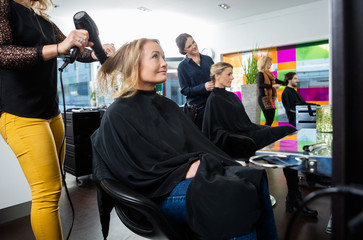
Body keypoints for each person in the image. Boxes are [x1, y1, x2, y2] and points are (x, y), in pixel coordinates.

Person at [91, 38, 279, 240]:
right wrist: (182, 171)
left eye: (163, 56)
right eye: (155, 56)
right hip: (155, 191)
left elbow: (190, 146)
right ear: (133, 65)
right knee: (234, 196)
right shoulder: (118, 113)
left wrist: (199, 164)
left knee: (254, 179)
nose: (163, 62)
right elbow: (131, 172)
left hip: (174, 177)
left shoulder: (167, 106)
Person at [0, 1, 115, 239]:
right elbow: (3, 53)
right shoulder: (4, 6)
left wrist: (96, 52)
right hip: (19, 112)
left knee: (55, 190)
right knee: (47, 192)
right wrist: (58, 47)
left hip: (51, 113)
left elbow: (74, 49)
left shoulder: (44, 20)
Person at [202, 62, 318, 217]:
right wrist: (249, 133)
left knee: (289, 138)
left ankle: (294, 195)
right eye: (228, 74)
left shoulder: (230, 96)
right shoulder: (214, 100)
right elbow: (215, 132)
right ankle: (294, 196)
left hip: (248, 133)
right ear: (217, 75)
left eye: (232, 73)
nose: (232, 77)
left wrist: (265, 129)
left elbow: (246, 123)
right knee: (289, 131)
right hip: (241, 141)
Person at [176, 33, 214, 129]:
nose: (194, 46)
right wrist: (203, 87)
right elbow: (184, 90)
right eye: (189, 46)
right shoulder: (182, 67)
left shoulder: (208, 60)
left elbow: (216, 78)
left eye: (193, 42)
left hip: (213, 106)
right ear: (184, 50)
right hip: (198, 112)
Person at [256, 56, 284, 126]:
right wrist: (272, 86)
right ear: (264, 63)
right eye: (269, 62)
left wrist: (288, 83)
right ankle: (265, 135)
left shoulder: (270, 74)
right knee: (268, 120)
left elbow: (278, 81)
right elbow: (260, 85)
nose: (271, 64)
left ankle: (267, 135)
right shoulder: (260, 74)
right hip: (264, 99)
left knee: (270, 120)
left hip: (271, 98)